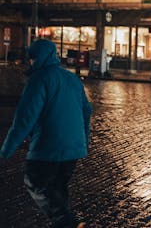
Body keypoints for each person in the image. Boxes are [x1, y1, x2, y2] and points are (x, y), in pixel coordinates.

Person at [0, 39, 92, 228]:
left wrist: (6, 150)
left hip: (49, 146)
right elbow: (87, 110)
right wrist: (84, 140)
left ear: (37, 58)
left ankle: (69, 224)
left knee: (35, 181)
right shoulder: (72, 78)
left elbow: (24, 119)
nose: (31, 62)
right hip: (73, 149)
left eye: (32, 58)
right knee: (58, 189)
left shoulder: (40, 79)